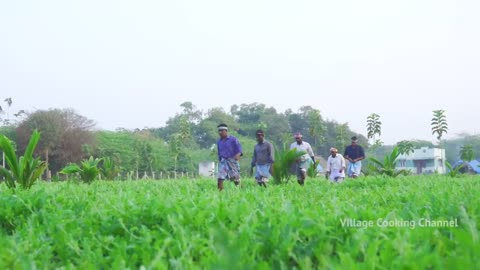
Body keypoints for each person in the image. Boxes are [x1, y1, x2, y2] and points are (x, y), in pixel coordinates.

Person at [216, 123, 242, 191]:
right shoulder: (219, 141)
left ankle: (239, 190)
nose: (220, 132)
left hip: (232, 160)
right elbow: (219, 152)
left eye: (221, 131)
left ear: (226, 131)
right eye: (219, 131)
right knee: (220, 178)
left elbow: (239, 150)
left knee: (235, 178)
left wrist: (237, 155)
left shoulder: (233, 139)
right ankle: (220, 193)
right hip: (223, 161)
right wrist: (220, 160)